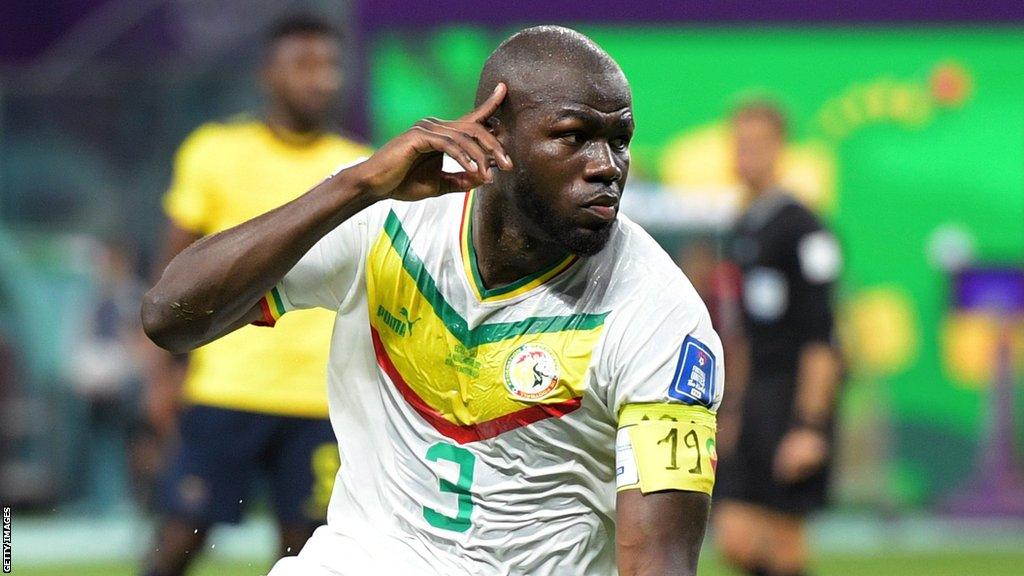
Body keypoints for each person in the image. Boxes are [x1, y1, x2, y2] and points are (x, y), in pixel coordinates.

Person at [143, 26, 723, 576]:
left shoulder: (663, 317)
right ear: (495, 132)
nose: (606, 168)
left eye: (619, 141)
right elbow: (169, 315)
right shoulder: (386, 217)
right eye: (572, 136)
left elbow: (660, 562)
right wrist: (355, 186)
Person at [143, 15, 371, 576]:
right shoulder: (215, 151)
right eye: (304, 65)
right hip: (227, 386)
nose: (321, 79)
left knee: (306, 554)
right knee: (179, 538)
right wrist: (159, 376)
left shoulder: (360, 168)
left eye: (330, 66)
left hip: (322, 398)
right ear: (269, 74)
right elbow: (173, 275)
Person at [712, 101, 843, 576]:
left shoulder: (804, 229)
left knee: (785, 542)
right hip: (756, 398)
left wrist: (809, 425)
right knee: (736, 535)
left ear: (780, 149)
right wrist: (731, 409)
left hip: (793, 396)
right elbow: (742, 334)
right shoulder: (743, 226)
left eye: (757, 144)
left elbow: (823, 337)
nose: (746, 154)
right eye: (739, 143)